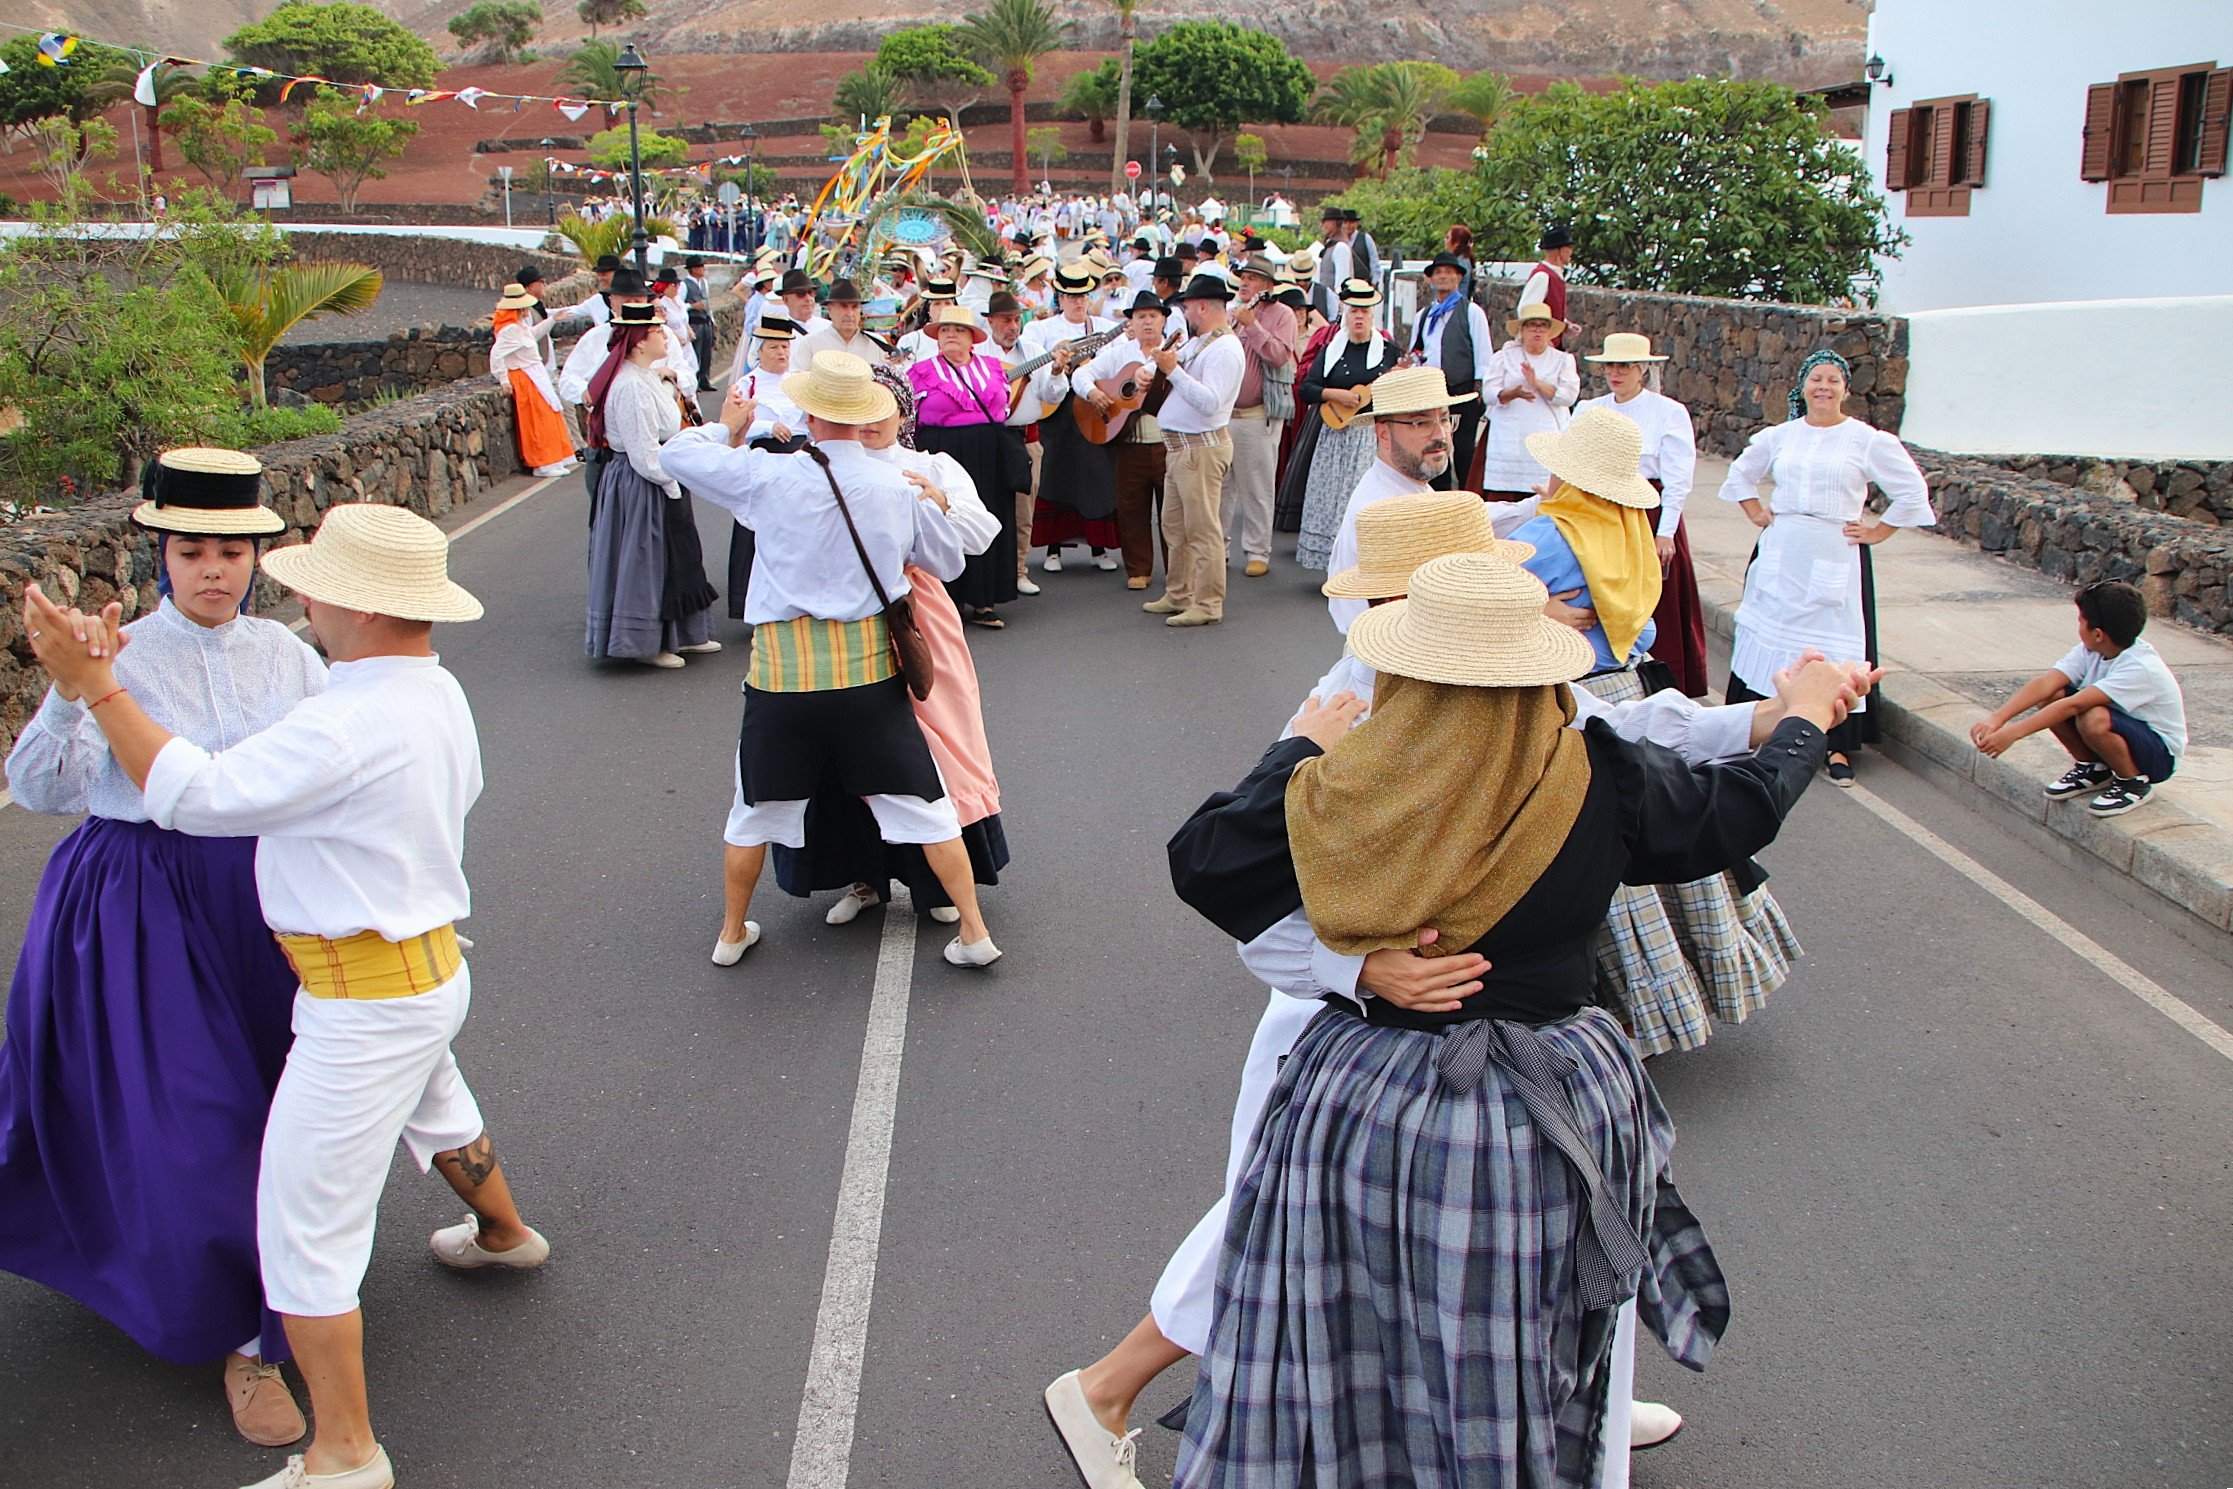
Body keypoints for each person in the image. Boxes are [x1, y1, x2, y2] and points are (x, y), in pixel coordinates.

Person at [1044, 495, 1868, 1489]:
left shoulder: (1347, 760)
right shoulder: (1592, 769)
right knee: (1519, 1305)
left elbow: (1207, 860)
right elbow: (1735, 812)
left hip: (1361, 1086)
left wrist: (1294, 752)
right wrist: (1803, 724)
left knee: (1343, 1297)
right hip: (1530, 1097)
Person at [23, 502, 551, 1489]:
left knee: (304, 1233)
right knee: (439, 1104)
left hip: (360, 996)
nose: (293, 594)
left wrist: (96, 686)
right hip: (426, 964)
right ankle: (504, 1232)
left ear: (344, 601)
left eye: (307, 581)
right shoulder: (432, 693)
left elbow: (196, 797)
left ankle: (345, 1453)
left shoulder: (347, 716)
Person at [1, 450, 323, 1450]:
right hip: (139, 901)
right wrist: (70, 687)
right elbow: (43, 791)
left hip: (264, 898)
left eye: (233, 548)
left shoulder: (291, 655)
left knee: (281, 1110)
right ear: (158, 553)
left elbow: (332, 771)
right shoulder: (117, 650)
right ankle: (244, 1334)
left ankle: (276, 1296)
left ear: (258, 556)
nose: (215, 568)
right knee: (193, 1119)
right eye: (193, 549)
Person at [657, 352, 1002, 970]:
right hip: (866, 671)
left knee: (753, 808)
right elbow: (948, 564)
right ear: (866, 413)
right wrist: (932, 508)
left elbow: (677, 456)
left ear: (811, 414)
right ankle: (974, 931)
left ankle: (732, 932)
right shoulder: (895, 486)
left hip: (782, 676)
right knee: (922, 803)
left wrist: (728, 425)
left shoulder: (769, 475)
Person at [1517, 409, 1801, 1054]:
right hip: (1634, 682)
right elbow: (1639, 628)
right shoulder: (1629, 532)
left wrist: (1545, 610)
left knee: (1593, 855)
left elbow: (1501, 609)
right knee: (1667, 835)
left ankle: (1621, 1013)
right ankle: (1686, 993)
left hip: (1578, 692)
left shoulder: (1548, 534)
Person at [774, 365, 1011, 925]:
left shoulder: (932, 466)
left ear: (903, 411)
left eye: (883, 405)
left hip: (917, 612)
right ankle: (864, 876)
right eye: (860, 407)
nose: (871, 420)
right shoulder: (815, 468)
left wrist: (937, 504)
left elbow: (981, 536)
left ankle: (942, 882)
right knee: (850, 746)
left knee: (942, 741)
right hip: (843, 618)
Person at [1720, 347, 1935, 785]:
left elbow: (1912, 492)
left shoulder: (1865, 440)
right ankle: (1764, 727)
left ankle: (1836, 743)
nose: (1823, 387)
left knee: (1832, 642)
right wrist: (1756, 513)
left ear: (1846, 389)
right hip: (1784, 548)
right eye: (1816, 379)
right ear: (1803, 387)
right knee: (1772, 635)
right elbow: (1740, 475)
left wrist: (1877, 531)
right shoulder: (1781, 436)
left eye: (1833, 380)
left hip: (1834, 549)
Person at [1972, 580, 2187, 817]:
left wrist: (2013, 733)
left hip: (2158, 755)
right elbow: (2046, 683)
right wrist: (1997, 719)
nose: (2078, 626)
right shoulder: (2091, 650)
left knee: (2092, 715)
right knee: (2053, 697)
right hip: (2122, 734)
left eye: (2081, 621)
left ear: (2098, 634)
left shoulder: (2140, 667)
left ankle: (2133, 783)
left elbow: (2074, 704)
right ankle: (2093, 768)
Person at [583, 301, 721, 668]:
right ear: (639, 342)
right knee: (646, 560)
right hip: (640, 481)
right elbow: (643, 453)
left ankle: (684, 634)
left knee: (676, 555)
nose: (665, 335)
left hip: (659, 472)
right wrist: (673, 484)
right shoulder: (630, 387)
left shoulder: (647, 378)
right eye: (658, 331)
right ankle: (647, 643)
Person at [1581, 333, 1706, 696]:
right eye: (1610, 366)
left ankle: (1664, 682)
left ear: (1642, 370)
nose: (1615, 374)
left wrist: (1665, 532)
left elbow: (1678, 478)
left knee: (1656, 599)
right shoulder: (1591, 409)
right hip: (1603, 511)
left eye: (1624, 366)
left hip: (1647, 512)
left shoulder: (1667, 412)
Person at [909, 305, 1031, 629]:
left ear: (971, 339)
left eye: (958, 330)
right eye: (945, 330)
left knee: (987, 516)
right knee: (942, 517)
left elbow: (1006, 407)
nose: (950, 335)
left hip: (988, 453)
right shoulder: (920, 371)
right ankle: (946, 599)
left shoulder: (993, 368)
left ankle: (983, 600)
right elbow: (909, 417)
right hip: (941, 451)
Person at [1144, 275, 1245, 629]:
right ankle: (1180, 591)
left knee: (1202, 530)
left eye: (1187, 307)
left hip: (1200, 448)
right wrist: (1154, 370)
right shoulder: (1204, 341)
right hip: (1182, 449)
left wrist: (1172, 372)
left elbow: (1210, 403)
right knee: (1175, 526)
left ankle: (1208, 602)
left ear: (1202, 306)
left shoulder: (1226, 350)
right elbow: (1169, 364)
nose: (1184, 313)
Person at [1287, 279, 1400, 572]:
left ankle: (1362, 565)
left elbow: (1397, 388)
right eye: (1353, 311)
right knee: (1329, 498)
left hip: (1368, 435)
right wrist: (1334, 394)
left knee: (1362, 498)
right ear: (1345, 315)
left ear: (1372, 315)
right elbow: (1306, 388)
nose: (1358, 317)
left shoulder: (1387, 352)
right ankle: (1332, 564)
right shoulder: (1333, 350)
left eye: (1364, 311)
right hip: (1334, 435)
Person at [1075, 290, 1177, 593]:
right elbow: (1082, 375)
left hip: (1167, 442)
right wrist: (1093, 393)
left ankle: (1177, 571)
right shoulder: (1119, 354)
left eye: (1153, 316)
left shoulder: (1175, 352)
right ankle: (1138, 569)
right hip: (1129, 442)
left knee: (1172, 513)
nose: (1147, 322)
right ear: (1131, 322)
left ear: (1163, 321)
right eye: (1141, 316)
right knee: (1131, 509)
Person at [1025, 265, 1123, 575]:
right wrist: (1058, 365)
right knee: (1056, 475)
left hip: (1092, 410)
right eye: (1070, 297)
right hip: (1057, 412)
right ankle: (1053, 549)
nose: (1077, 303)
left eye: (1082, 297)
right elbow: (1033, 365)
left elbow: (1119, 363)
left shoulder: (1105, 327)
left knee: (1096, 476)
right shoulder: (1040, 330)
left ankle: (1099, 546)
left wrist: (1093, 367)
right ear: (1060, 297)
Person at [722, 313, 806, 622]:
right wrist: (768, 427)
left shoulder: (800, 382)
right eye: (774, 348)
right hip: (763, 457)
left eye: (785, 347)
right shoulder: (746, 385)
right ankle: (747, 601)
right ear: (759, 351)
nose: (781, 353)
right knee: (756, 529)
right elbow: (733, 427)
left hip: (797, 458)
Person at [558, 268, 656, 520]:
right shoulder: (595, 339)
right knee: (604, 520)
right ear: (612, 301)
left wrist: (665, 378)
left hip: (656, 445)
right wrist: (585, 393)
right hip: (606, 449)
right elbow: (568, 379)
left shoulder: (659, 339)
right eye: (626, 299)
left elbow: (686, 377)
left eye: (638, 299)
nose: (633, 304)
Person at [1221, 255, 1297, 580]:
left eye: (1252, 278)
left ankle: (1257, 551)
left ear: (1266, 285)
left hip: (1258, 413)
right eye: (1243, 277)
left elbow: (1280, 357)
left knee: (1257, 486)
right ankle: (1218, 548)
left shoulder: (1282, 315)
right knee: (1221, 486)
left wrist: (1252, 325)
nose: (1245, 282)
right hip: (1225, 413)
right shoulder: (1230, 314)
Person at [1409, 251, 1494, 493]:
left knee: (1465, 447)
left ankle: (1469, 496)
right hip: (1432, 391)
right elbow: (1417, 350)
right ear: (1431, 279)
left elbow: (1483, 353)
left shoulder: (1471, 312)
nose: (1443, 276)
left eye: (1449, 272)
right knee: (1434, 444)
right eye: (1438, 272)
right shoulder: (1424, 316)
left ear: (1458, 278)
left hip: (1462, 389)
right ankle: (1440, 495)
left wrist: (1479, 389)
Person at [1479, 295, 1579, 500]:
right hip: (1510, 436)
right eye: (1532, 326)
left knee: (1544, 491)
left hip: (1547, 434)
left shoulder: (1563, 360)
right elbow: (1488, 393)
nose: (1537, 331)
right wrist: (1511, 393)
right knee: (1506, 498)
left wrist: (1537, 384)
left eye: (1543, 326)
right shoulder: (1503, 357)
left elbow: (1568, 396)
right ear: (1522, 330)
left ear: (1550, 332)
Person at [488, 283, 578, 479]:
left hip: (534, 375)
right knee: (538, 421)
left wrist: (553, 320)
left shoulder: (519, 327)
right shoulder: (509, 330)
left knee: (548, 417)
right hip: (525, 377)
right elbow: (496, 355)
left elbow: (533, 335)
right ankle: (543, 462)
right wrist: (503, 379)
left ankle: (553, 459)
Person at [797, 279, 890, 370]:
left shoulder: (876, 344)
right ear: (830, 309)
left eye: (854, 307)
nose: (850, 314)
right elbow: (798, 380)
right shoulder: (811, 344)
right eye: (843, 306)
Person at [1524, 223, 1576, 348]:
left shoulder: (1553, 275)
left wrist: (1565, 324)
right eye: (1569, 247)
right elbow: (1526, 310)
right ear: (1561, 250)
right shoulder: (1542, 276)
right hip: (1543, 347)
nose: (1571, 252)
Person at [682, 254, 717, 391]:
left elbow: (707, 303)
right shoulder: (685, 285)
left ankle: (704, 379)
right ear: (693, 269)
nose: (703, 269)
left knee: (706, 353)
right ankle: (694, 381)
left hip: (705, 320)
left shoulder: (704, 283)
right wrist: (692, 306)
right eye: (700, 267)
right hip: (694, 321)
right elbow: (679, 305)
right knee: (695, 353)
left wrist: (712, 319)